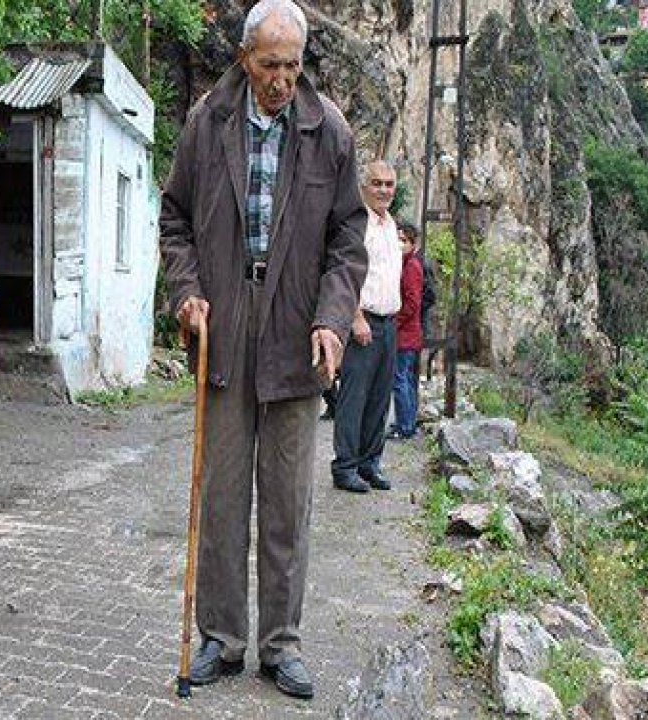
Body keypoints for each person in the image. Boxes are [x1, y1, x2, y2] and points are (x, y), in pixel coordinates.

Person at [159, 0, 368, 700]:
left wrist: (334, 320)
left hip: (295, 327)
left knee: (287, 500)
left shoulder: (327, 131)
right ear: (245, 57)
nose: (282, 79)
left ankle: (282, 644)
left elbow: (347, 240)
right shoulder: (206, 122)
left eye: (293, 65)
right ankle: (222, 636)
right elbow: (176, 218)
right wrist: (185, 291)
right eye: (270, 64)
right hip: (224, 318)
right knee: (222, 495)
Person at [331, 160, 403, 493]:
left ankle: (369, 463)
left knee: (379, 398)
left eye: (389, 184)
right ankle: (345, 466)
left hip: (389, 322)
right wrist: (355, 316)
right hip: (362, 321)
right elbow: (346, 272)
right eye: (377, 183)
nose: (383, 190)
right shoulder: (359, 225)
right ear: (364, 187)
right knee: (354, 397)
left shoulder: (390, 225)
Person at [389, 221, 423, 440]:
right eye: (397, 239)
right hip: (407, 333)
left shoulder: (410, 267)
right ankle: (407, 422)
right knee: (405, 379)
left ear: (412, 244)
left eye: (404, 241)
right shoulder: (404, 264)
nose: (399, 244)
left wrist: (394, 322)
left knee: (399, 379)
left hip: (405, 335)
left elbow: (412, 303)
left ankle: (405, 426)